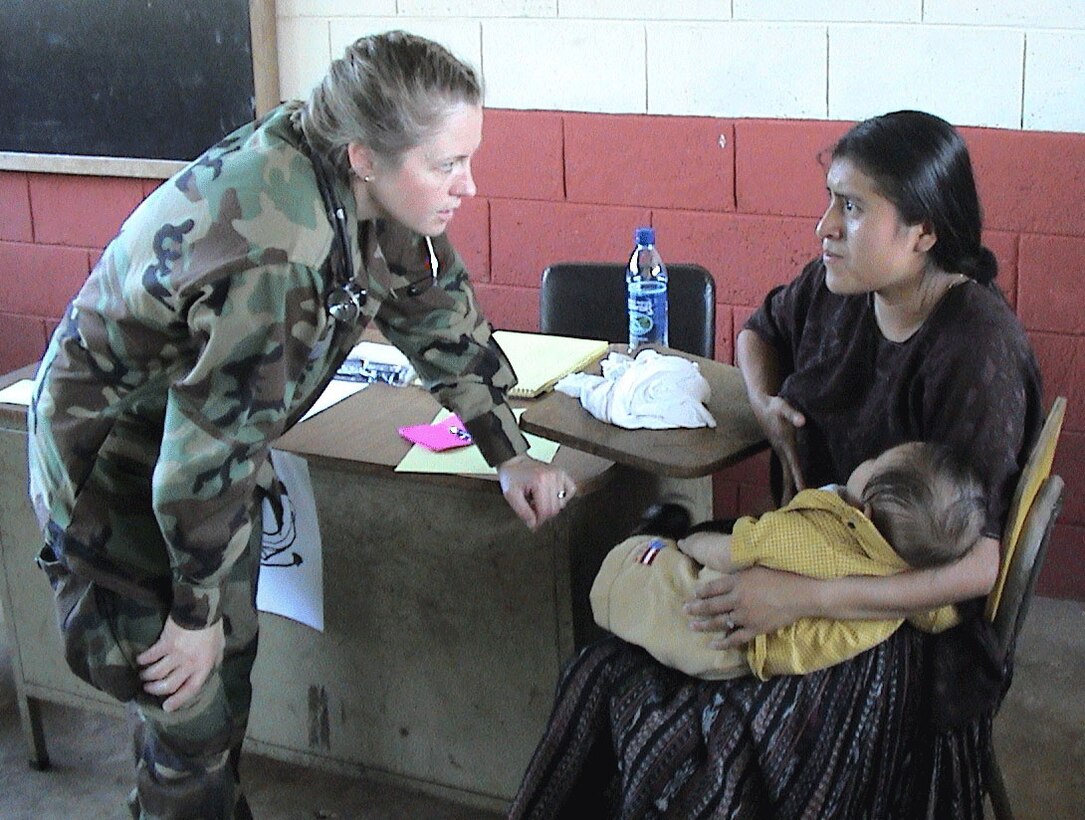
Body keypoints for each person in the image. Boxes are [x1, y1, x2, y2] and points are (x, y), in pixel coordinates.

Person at [27, 31, 576, 819]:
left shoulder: (357, 164)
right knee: (185, 703)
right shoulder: (281, 246)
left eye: (467, 157)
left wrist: (506, 449)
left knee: (228, 657)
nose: (468, 185)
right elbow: (201, 453)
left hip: (198, 455)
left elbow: (430, 299)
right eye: (447, 164)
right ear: (364, 155)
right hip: (114, 462)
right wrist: (188, 613)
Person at [508, 110, 1043, 819]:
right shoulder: (840, 288)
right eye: (829, 199)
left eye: (850, 208)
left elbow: (979, 565)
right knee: (602, 670)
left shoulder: (975, 352)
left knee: (701, 740)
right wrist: (761, 400)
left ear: (922, 232)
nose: (824, 226)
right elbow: (760, 331)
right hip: (801, 553)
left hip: (899, 625)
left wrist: (802, 599)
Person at [592, 441, 983, 680]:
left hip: (715, 630)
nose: (868, 459)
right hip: (752, 661)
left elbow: (730, 553)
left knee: (643, 575)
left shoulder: (813, 535)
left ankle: (641, 548)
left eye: (876, 461)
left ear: (863, 513)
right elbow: (939, 615)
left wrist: (688, 542)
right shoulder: (910, 587)